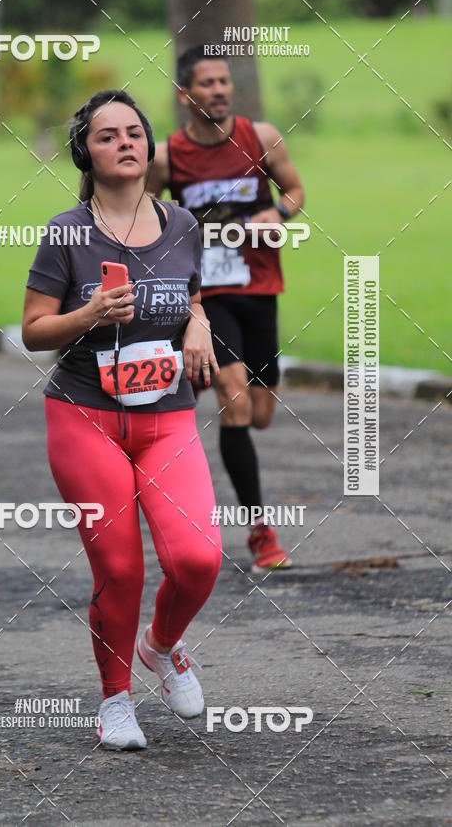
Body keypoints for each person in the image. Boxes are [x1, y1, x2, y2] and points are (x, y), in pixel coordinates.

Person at [22, 89, 222, 751]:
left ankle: (161, 647)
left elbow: (191, 294)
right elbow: (32, 331)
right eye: (108, 136)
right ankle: (115, 703)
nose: (125, 142)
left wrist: (198, 324)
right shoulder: (66, 233)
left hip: (168, 418)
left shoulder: (184, 225)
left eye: (134, 132)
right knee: (122, 569)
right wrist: (88, 316)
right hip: (85, 418)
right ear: (88, 152)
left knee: (198, 558)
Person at [148, 45, 305, 572]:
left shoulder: (260, 137)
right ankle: (261, 533)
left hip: (259, 287)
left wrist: (277, 211)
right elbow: (145, 216)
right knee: (235, 403)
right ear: (185, 94)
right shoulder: (167, 156)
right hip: (206, 298)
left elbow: (297, 189)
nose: (218, 90)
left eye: (224, 81)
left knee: (260, 415)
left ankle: (190, 376)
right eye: (207, 83)